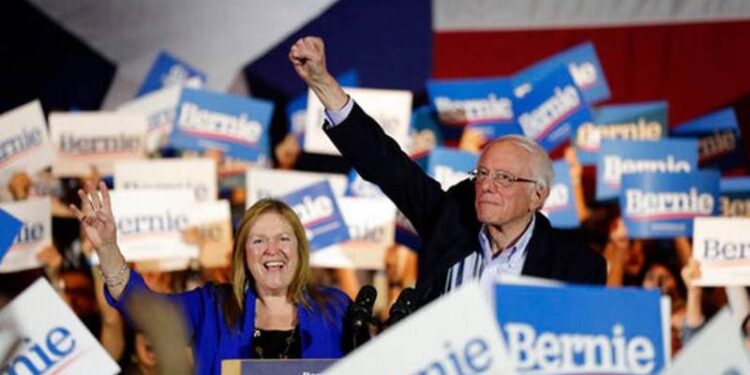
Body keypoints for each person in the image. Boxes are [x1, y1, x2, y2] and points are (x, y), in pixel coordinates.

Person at [289, 36, 606, 305]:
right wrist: (322, 83)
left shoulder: (576, 266)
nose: (487, 185)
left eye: (504, 178)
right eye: (482, 174)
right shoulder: (451, 221)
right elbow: (386, 164)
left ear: (537, 195)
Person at [71, 181, 351, 375]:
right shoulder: (212, 306)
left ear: (300, 249)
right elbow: (143, 307)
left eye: (283, 239)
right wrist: (107, 248)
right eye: (259, 241)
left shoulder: (335, 308)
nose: (272, 249)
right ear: (243, 254)